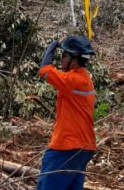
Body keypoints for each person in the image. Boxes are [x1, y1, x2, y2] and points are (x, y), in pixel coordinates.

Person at [37, 35, 97, 190]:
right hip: (83, 148)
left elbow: (45, 70)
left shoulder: (73, 80)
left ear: (75, 60)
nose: (62, 59)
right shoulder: (84, 79)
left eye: (64, 55)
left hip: (67, 147)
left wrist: (52, 47)